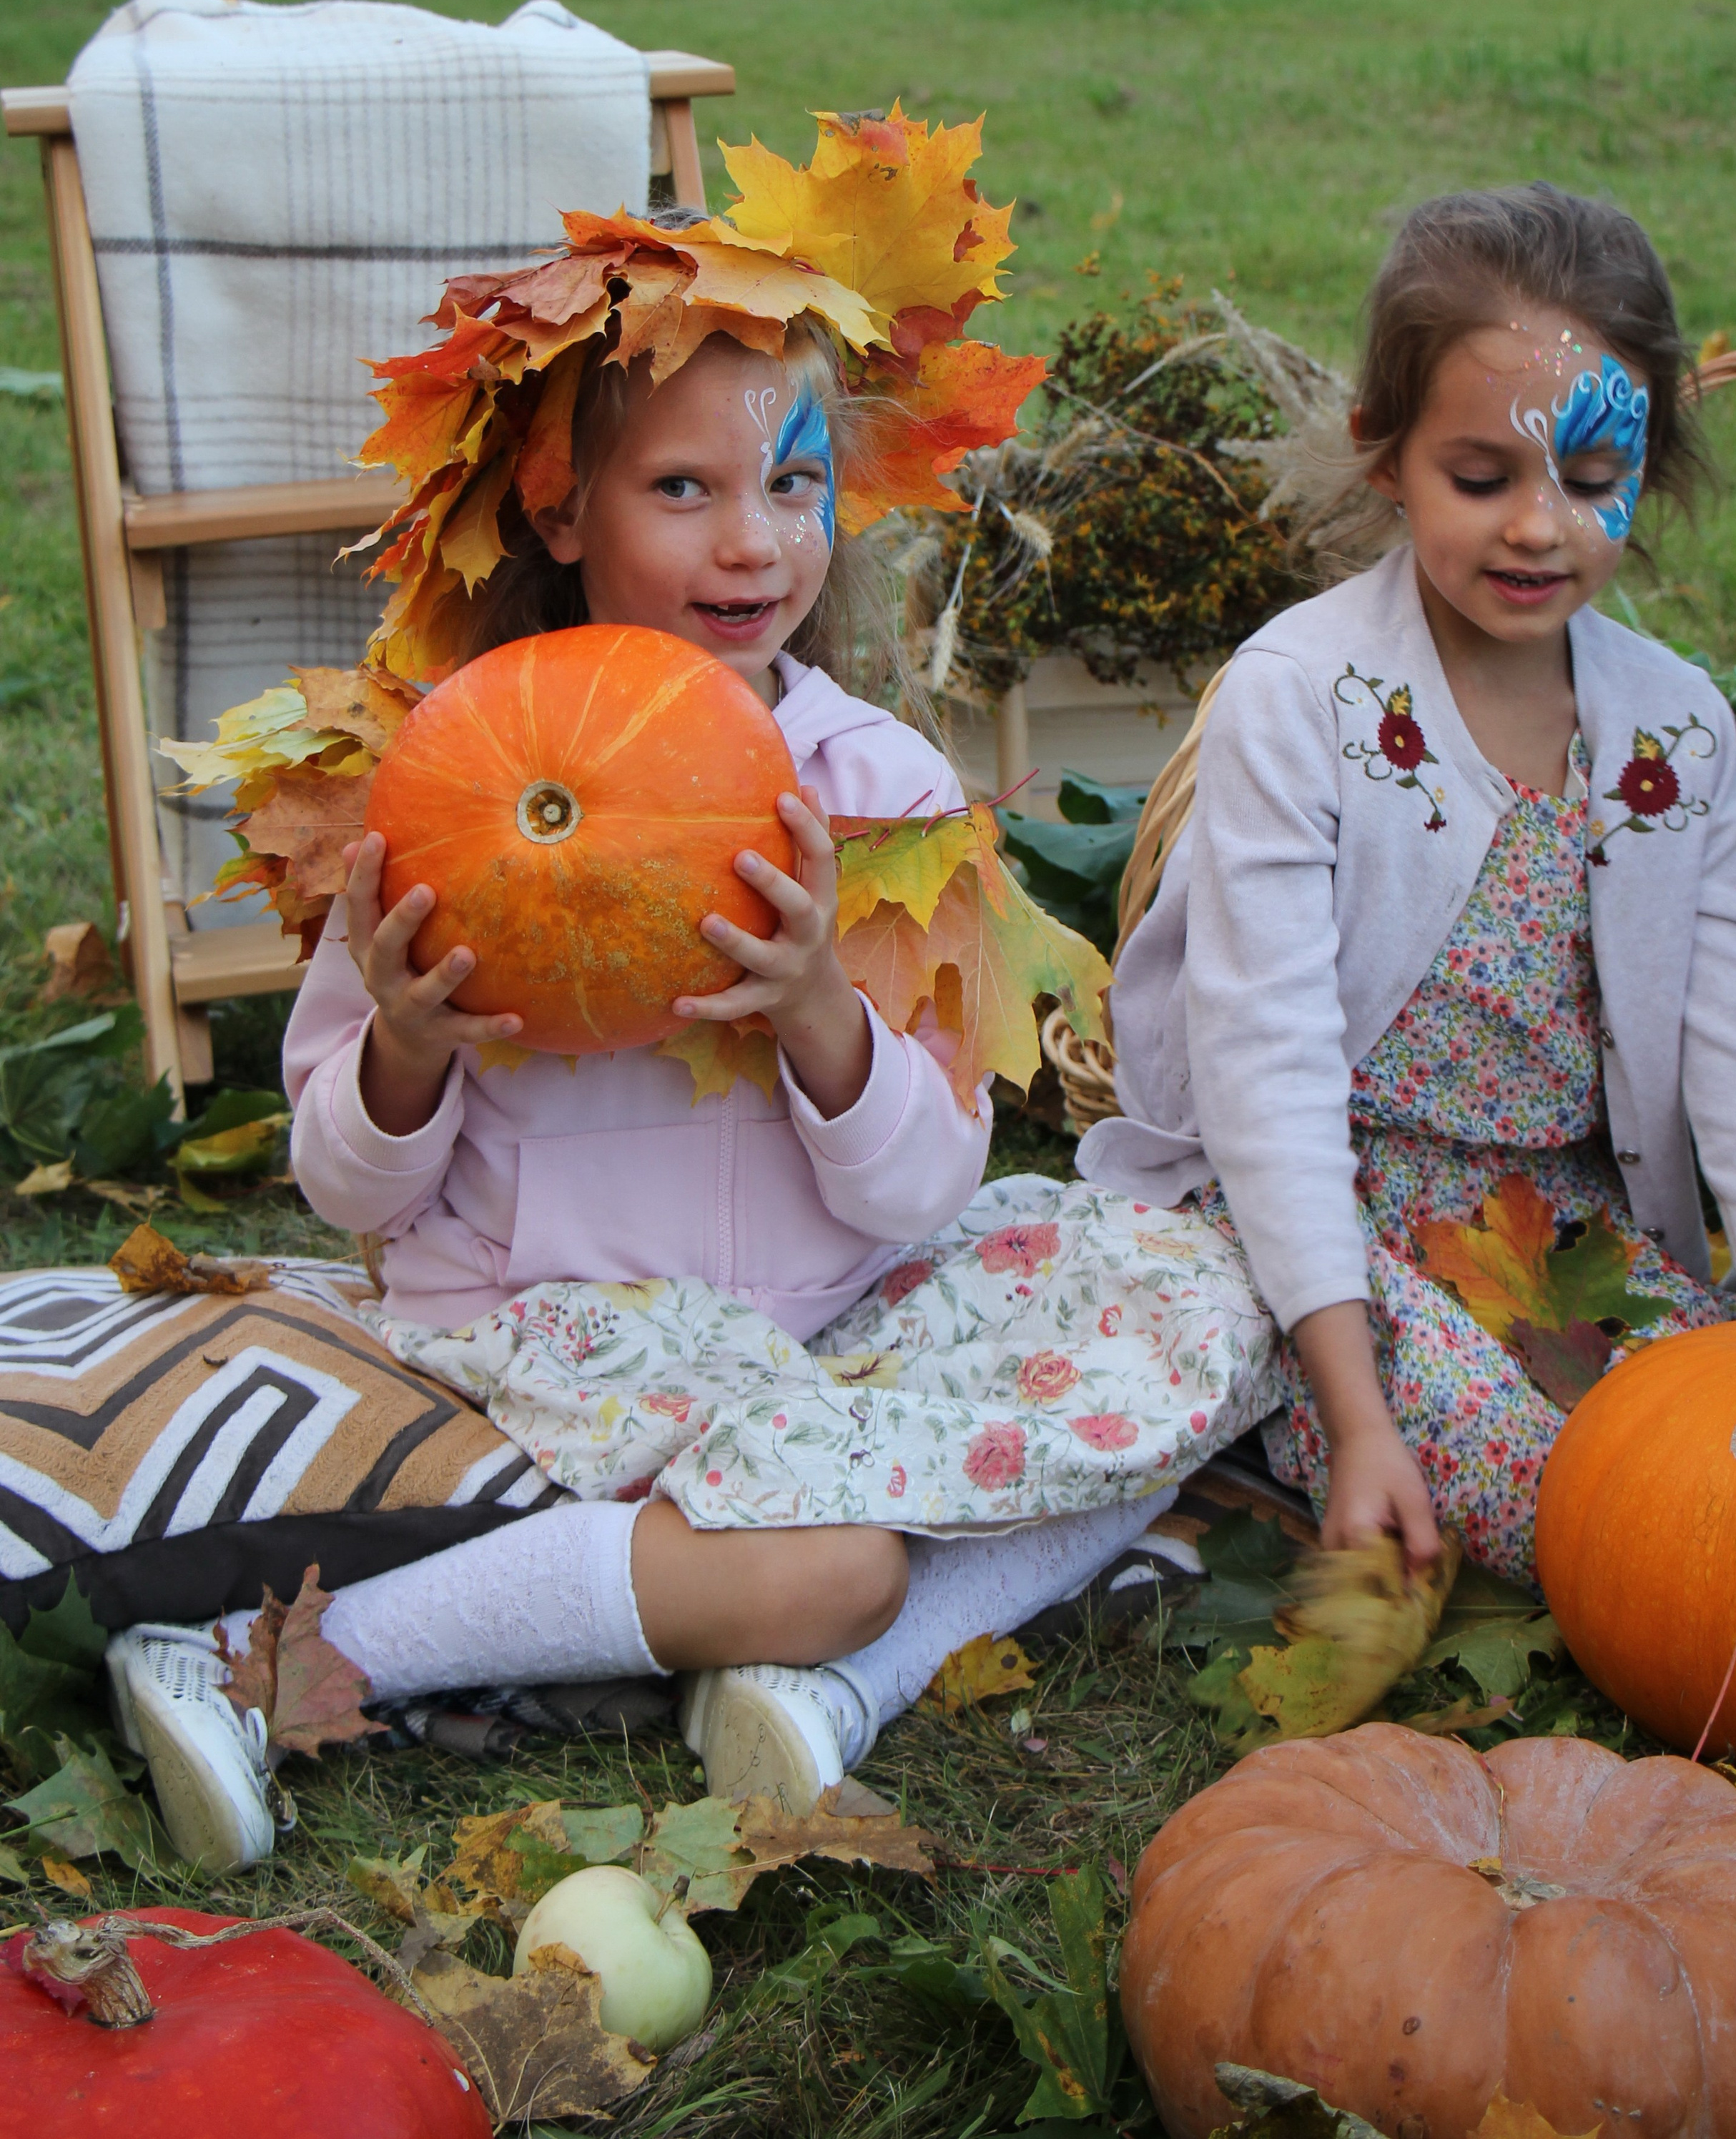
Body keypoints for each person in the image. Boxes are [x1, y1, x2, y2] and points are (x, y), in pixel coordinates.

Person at [103, 117, 1275, 1871]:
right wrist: (408, 1053)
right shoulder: (445, 773)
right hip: (560, 1334)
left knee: (1212, 1296)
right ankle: (260, 1668)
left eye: (792, 486)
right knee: (844, 1557)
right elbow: (344, 1191)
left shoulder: (866, 785)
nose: (754, 544)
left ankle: (788, 1692)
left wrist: (817, 1006)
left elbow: (919, 1192)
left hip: (832, 1315)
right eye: (684, 491)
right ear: (559, 505)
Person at [1082, 182, 1736, 1584]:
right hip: (1324, 1218)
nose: (1537, 528)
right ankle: (1288, 1421)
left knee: (1718, 1460)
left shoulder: (1673, 727)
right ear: (1384, 457)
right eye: (1480, 478)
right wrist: (1355, 1409)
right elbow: (1265, 1061)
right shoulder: (1299, 699)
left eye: (1589, 482)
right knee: (1593, 1512)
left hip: (1557, 1227)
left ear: (1647, 469)